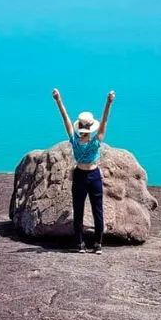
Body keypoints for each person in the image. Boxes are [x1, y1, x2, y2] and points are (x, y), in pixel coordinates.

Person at [52, 88, 115, 254]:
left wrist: (58, 100)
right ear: (90, 128)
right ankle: (97, 244)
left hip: (80, 175)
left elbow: (65, 118)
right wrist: (108, 103)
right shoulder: (96, 142)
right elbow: (105, 122)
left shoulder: (74, 140)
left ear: (79, 126)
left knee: (79, 210)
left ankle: (81, 244)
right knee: (97, 211)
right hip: (93, 176)